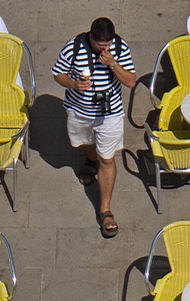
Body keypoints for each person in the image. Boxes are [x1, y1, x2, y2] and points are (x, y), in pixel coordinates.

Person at [54, 17, 137, 238]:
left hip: (110, 114)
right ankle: (90, 159)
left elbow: (130, 81)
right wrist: (73, 84)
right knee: (86, 144)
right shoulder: (73, 47)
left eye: (109, 43)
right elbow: (58, 73)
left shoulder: (119, 48)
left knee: (107, 159)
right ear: (91, 38)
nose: (106, 48)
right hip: (80, 112)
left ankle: (105, 210)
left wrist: (112, 63)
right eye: (102, 45)